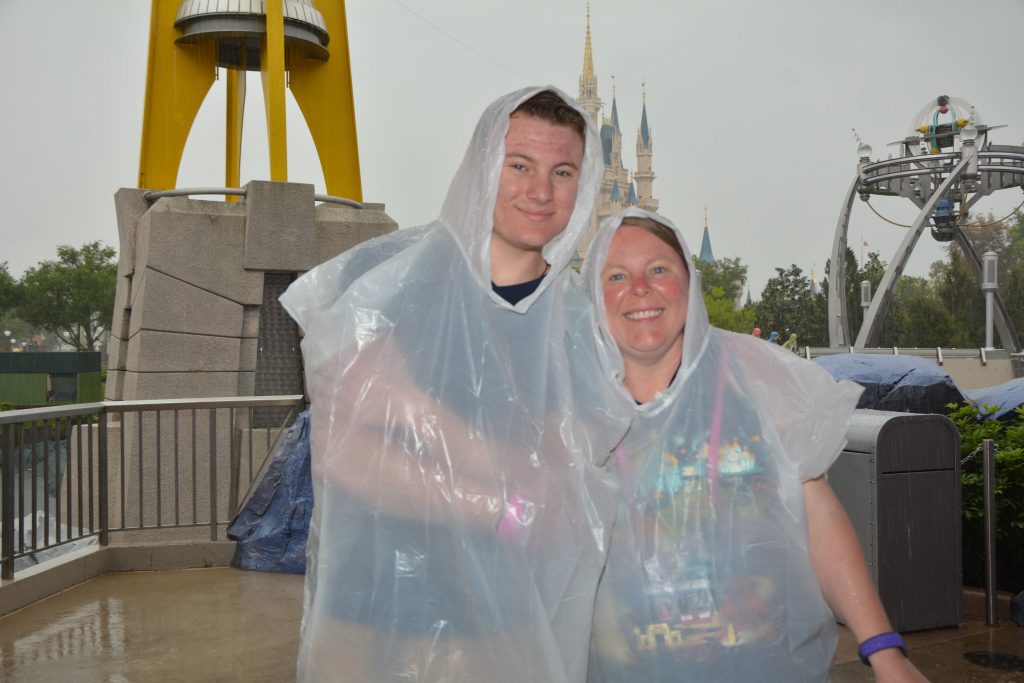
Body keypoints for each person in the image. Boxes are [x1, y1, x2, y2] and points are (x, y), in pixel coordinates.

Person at [280, 87, 629, 683]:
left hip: (503, 633)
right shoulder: (384, 283)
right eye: (519, 166)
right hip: (367, 621)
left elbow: (551, 502)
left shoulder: (581, 329)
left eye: (562, 171)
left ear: (583, 184)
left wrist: (404, 407)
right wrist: (499, 502)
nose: (540, 191)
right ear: (483, 166)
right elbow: (345, 459)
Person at [583, 209, 929, 682]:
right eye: (616, 275)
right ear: (593, 296)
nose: (640, 287)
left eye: (659, 269)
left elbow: (818, 519)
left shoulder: (755, 376)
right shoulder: (571, 403)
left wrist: (885, 651)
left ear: (690, 280)